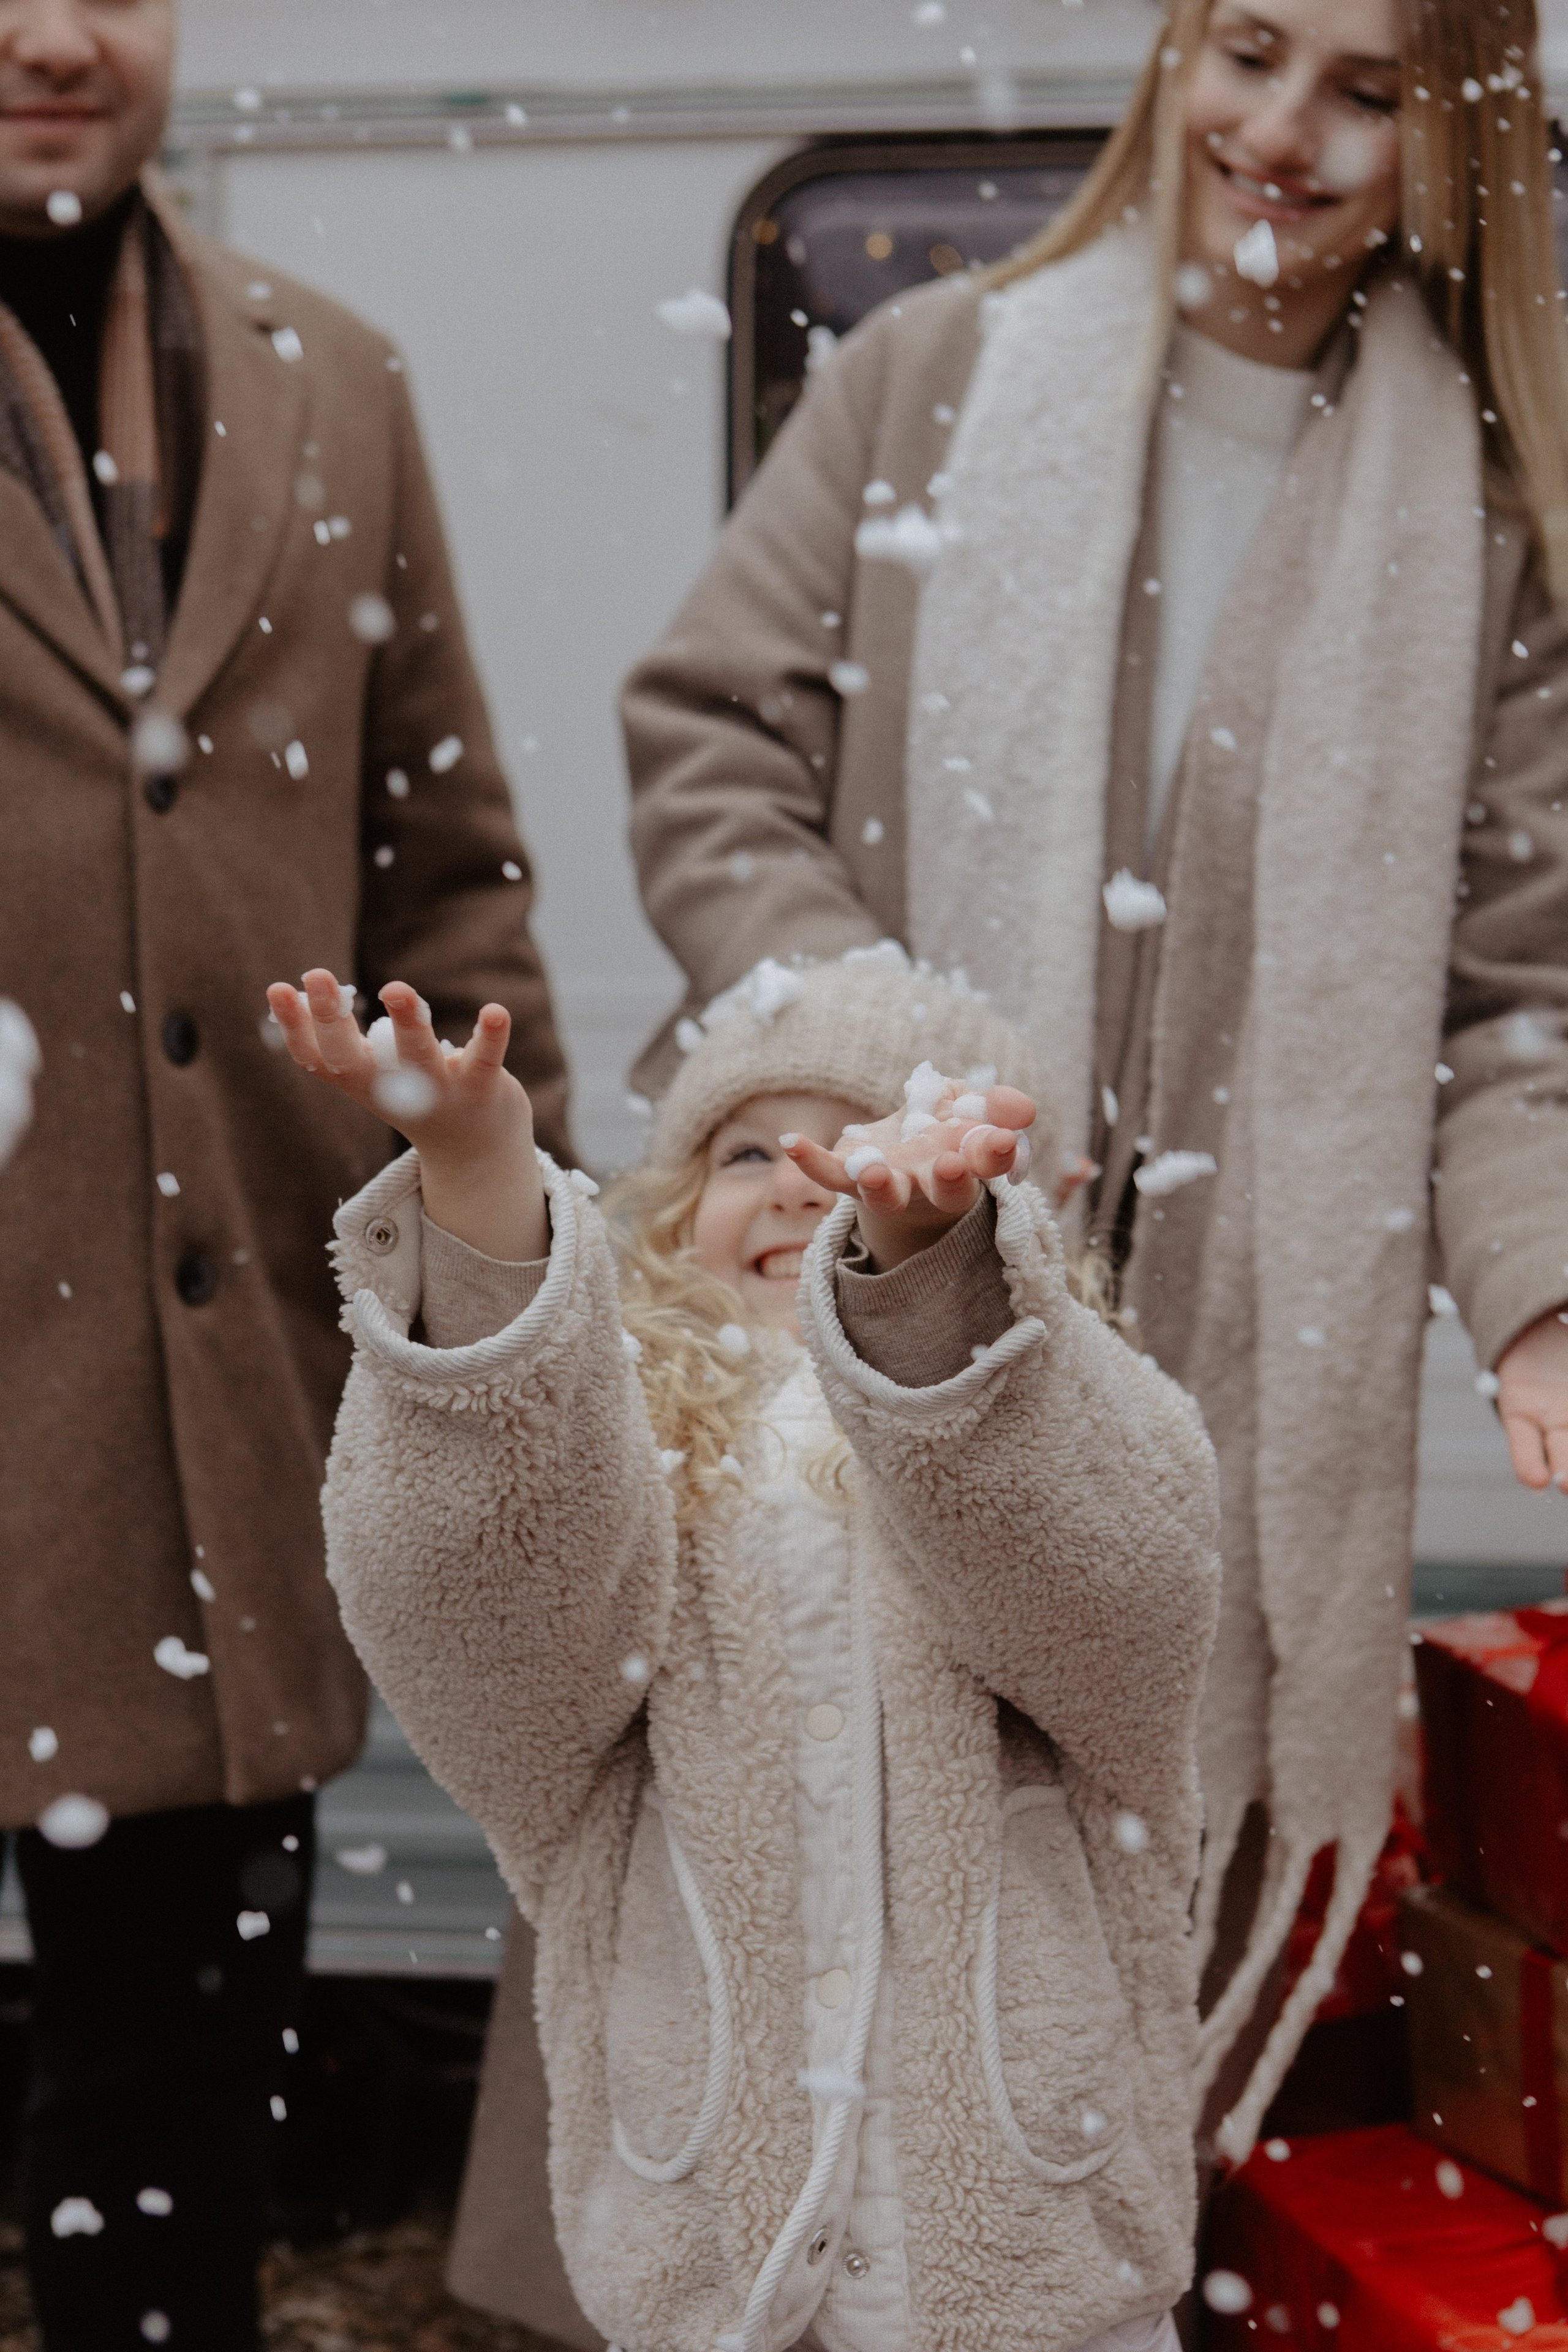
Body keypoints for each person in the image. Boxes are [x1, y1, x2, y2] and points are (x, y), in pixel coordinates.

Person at [621, 0, 1568, 2167]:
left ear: (1462, 141)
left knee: (1075, 2040)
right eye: (1253, 54)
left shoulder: (1496, 518)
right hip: (863, 1309)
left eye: (1375, 93)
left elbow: (1517, 996)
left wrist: (1538, 1282)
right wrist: (876, 1064)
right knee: (804, 1951)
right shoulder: (930, 385)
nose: (1289, 135)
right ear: (1173, 58)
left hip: (1204, 1412)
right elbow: (710, 749)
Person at [264, 947, 1221, 2352]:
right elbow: (474, 1622)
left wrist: (927, 1281)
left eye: (855, 1140)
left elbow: (1112, 1595)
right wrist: (477, 1184)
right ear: (665, 1214)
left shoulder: (1074, 1436)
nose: (798, 1176)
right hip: (717, 2256)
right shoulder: (616, 1477)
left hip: (1034, 2262)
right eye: (745, 1150)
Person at [0, 1, 569, 2343]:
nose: (50, 33)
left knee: (173, 2144)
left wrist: (501, 1261)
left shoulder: (332, 370)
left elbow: (449, 873)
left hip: (218, 1456)